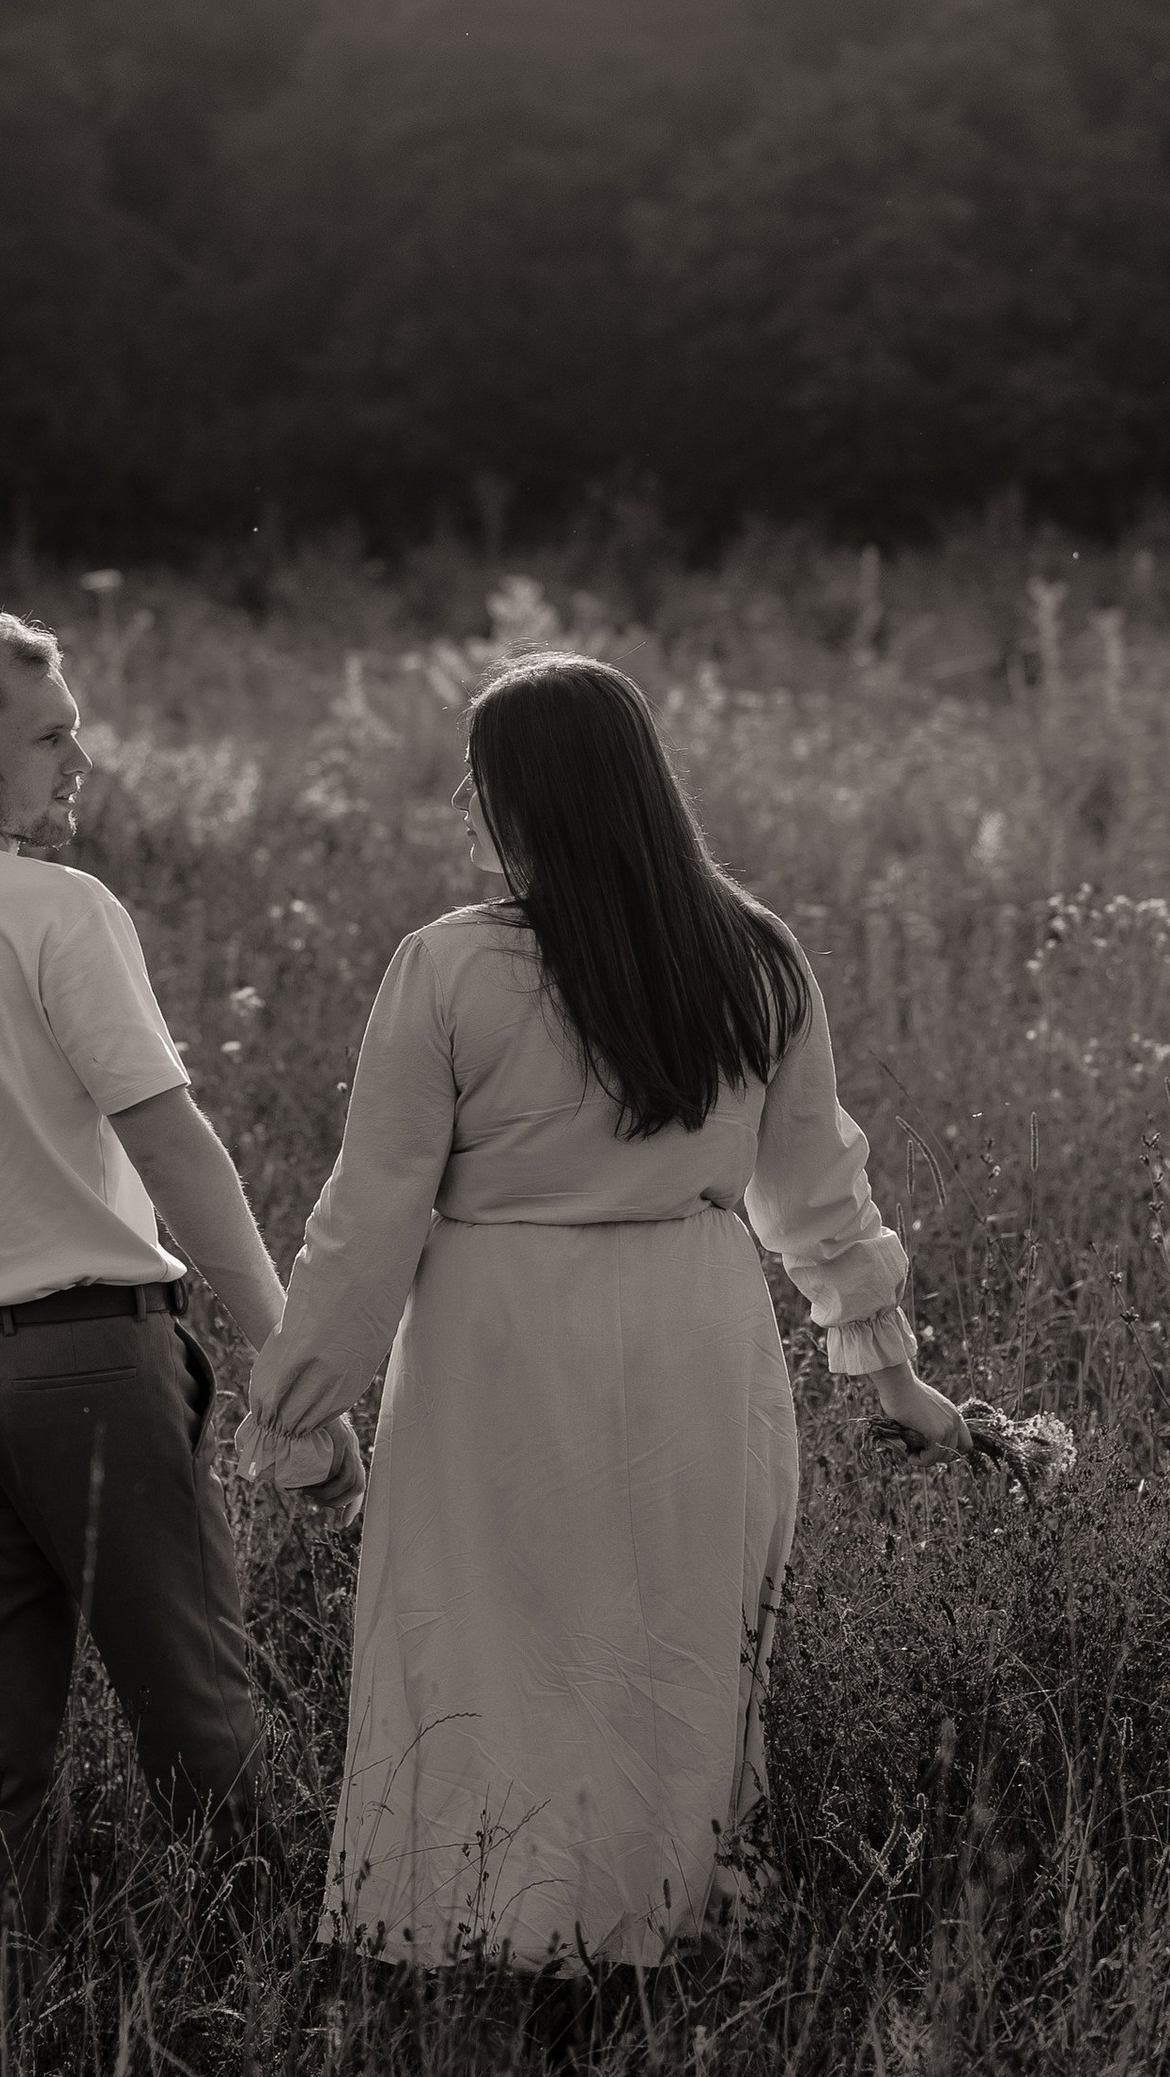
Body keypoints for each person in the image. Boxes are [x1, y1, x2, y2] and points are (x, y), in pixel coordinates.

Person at [235, 650, 968, 1970]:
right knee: (673, 1654)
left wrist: (296, 1415)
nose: (466, 815)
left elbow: (369, 1217)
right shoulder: (754, 955)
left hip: (496, 1351)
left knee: (491, 1656)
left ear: (533, 803)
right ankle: (650, 1946)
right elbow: (819, 1196)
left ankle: (480, 1937)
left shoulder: (450, 968)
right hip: (697, 1335)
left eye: (480, 788)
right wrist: (894, 1373)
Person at [0, 606, 362, 1939]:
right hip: (88, 1372)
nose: (80, 760)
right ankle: (279, 2032)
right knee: (204, 1726)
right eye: (49, 735)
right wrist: (293, 1372)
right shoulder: (57, 910)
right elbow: (175, 1145)